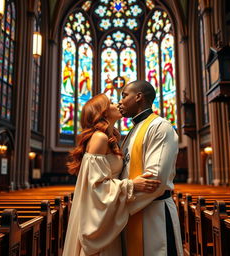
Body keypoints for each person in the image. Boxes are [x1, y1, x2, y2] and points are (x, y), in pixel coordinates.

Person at [62, 93, 161, 256]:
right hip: (99, 216)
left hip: (109, 212)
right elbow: (96, 187)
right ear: (103, 112)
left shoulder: (111, 138)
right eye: (112, 103)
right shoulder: (99, 138)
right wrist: (132, 185)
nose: (118, 104)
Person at [119, 80, 183, 256]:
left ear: (139, 97)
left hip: (155, 218)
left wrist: (117, 205)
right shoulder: (132, 131)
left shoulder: (160, 126)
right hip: (133, 212)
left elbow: (155, 180)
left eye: (124, 95)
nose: (120, 101)